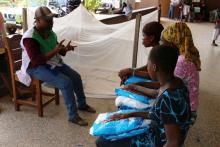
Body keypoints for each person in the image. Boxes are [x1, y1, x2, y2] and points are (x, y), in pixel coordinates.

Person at [96, 45, 191, 147]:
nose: (147, 67)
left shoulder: (168, 99)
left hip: (156, 141)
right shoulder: (176, 83)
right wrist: (128, 114)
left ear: (154, 67)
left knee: (102, 142)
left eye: (148, 63)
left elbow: (173, 142)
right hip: (157, 132)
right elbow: (158, 108)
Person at [18, 6, 96, 126]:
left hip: (51, 62)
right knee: (66, 83)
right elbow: (36, 60)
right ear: (38, 20)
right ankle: (73, 116)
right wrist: (55, 51)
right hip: (35, 68)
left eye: (52, 20)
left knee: (76, 77)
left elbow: (58, 51)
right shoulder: (30, 38)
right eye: (48, 20)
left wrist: (65, 49)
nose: (51, 22)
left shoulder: (50, 33)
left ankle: (82, 104)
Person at [162, 22, 201, 124]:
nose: (162, 46)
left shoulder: (182, 62)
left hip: (186, 109)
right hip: (190, 104)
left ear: (172, 44)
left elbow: (168, 84)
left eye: (164, 43)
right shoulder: (188, 54)